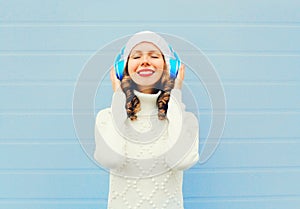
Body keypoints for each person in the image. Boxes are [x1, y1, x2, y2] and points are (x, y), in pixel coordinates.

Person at [94, 31, 199, 209]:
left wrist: (176, 93)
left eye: (154, 55)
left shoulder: (184, 120)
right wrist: (118, 97)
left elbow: (180, 161)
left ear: (171, 68)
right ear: (122, 69)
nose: (144, 61)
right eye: (136, 56)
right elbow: (111, 159)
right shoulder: (107, 118)